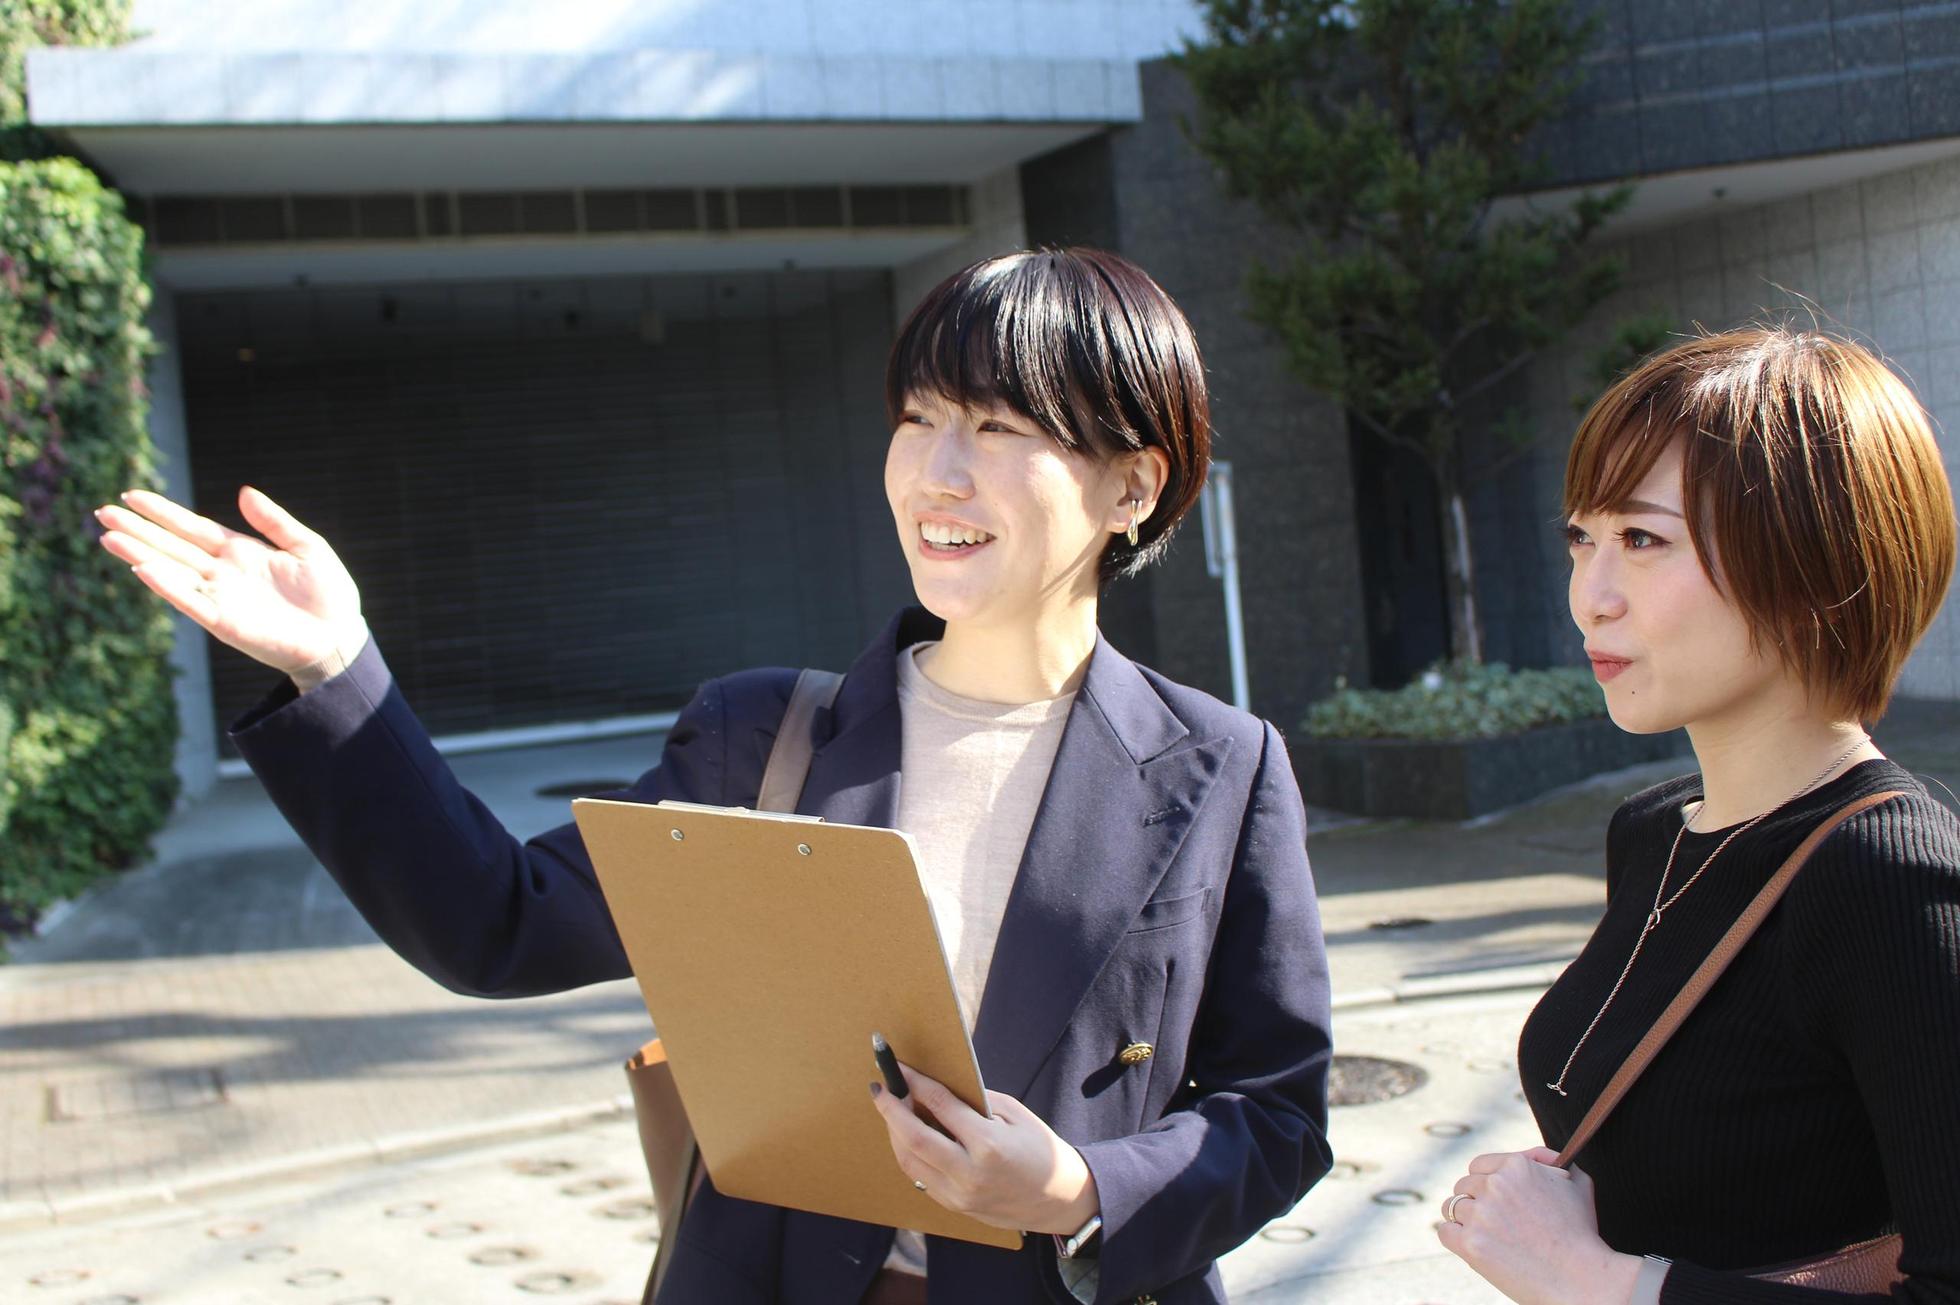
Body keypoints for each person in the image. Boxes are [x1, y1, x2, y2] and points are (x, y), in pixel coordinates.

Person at [96, 248, 1335, 1304]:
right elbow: (495, 925)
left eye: (999, 428)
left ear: (1133, 485)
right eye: (918, 418)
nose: (935, 472)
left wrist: (1077, 1188)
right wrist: (333, 668)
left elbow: (1276, 1113)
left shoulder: (1219, 768)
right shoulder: (765, 738)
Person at [1438, 327, 1960, 1303]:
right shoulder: (1654, 832)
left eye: (1642, 540)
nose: (1590, 598)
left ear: (1811, 566)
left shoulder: (1893, 883)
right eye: (1581, 538)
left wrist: (1602, 1282)